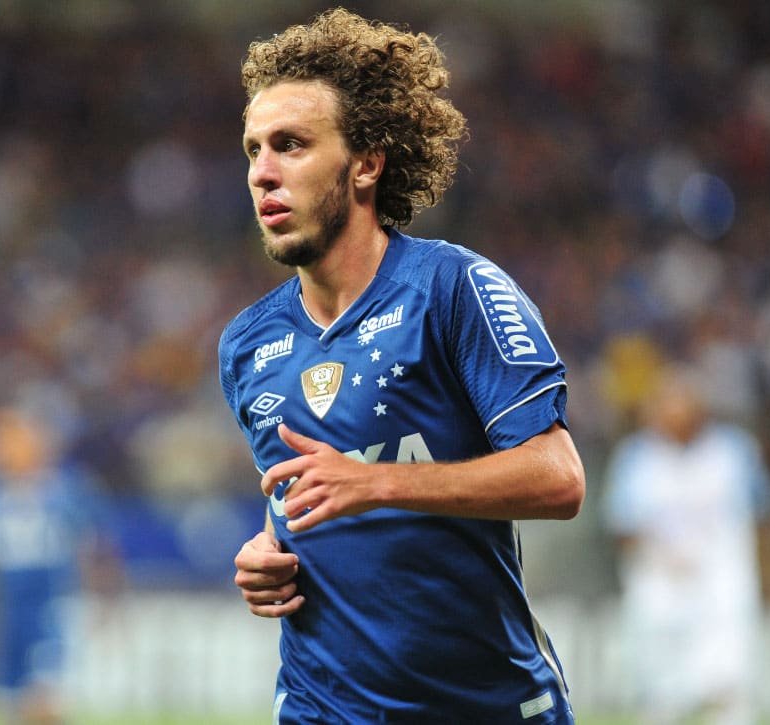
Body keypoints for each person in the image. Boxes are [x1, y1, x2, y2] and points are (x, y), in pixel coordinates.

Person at [218, 9, 586, 724]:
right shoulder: (246, 346)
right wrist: (268, 550)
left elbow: (559, 476)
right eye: (253, 149)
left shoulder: (453, 290)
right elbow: (304, 498)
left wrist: (377, 481)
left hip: (486, 704)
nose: (262, 171)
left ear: (366, 161)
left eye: (290, 145)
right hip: (323, 706)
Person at [601, 365, 770, 725]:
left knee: (728, 691)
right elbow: (621, 526)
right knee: (660, 696)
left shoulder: (733, 451)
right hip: (660, 590)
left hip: (722, 590)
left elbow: (764, 517)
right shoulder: (636, 456)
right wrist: (660, 555)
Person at [0, 406, 119, 725]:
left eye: (7, 440)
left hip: (50, 613)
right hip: (6, 618)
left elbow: (97, 549)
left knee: (44, 707)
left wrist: (105, 601)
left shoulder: (65, 492)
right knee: (2, 709)